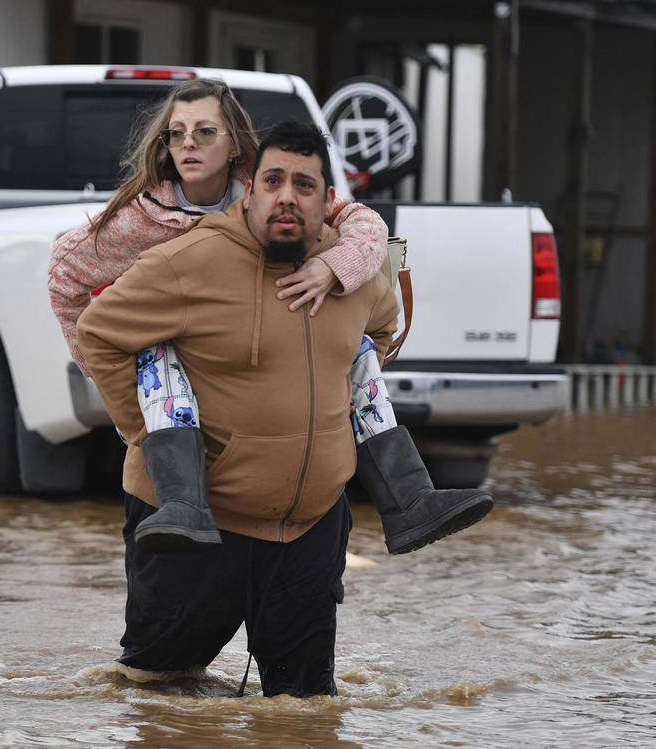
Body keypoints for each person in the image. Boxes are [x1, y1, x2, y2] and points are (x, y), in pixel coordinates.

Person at [48, 78, 491, 556]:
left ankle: (410, 502)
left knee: (356, 351)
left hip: (283, 356)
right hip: (177, 376)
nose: (188, 144)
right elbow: (62, 275)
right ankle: (184, 503)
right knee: (159, 350)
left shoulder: (271, 188)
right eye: (176, 134)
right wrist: (125, 402)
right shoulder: (141, 218)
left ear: (235, 141)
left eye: (204, 132)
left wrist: (333, 266)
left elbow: (367, 224)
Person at [75, 119, 403, 696]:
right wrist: (146, 436)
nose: (286, 197)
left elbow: (381, 329)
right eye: (273, 180)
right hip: (197, 530)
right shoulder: (189, 262)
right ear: (249, 190)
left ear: (329, 202)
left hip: (310, 530)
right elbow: (98, 332)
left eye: (304, 186)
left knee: (302, 713)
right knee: (156, 699)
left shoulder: (351, 271)